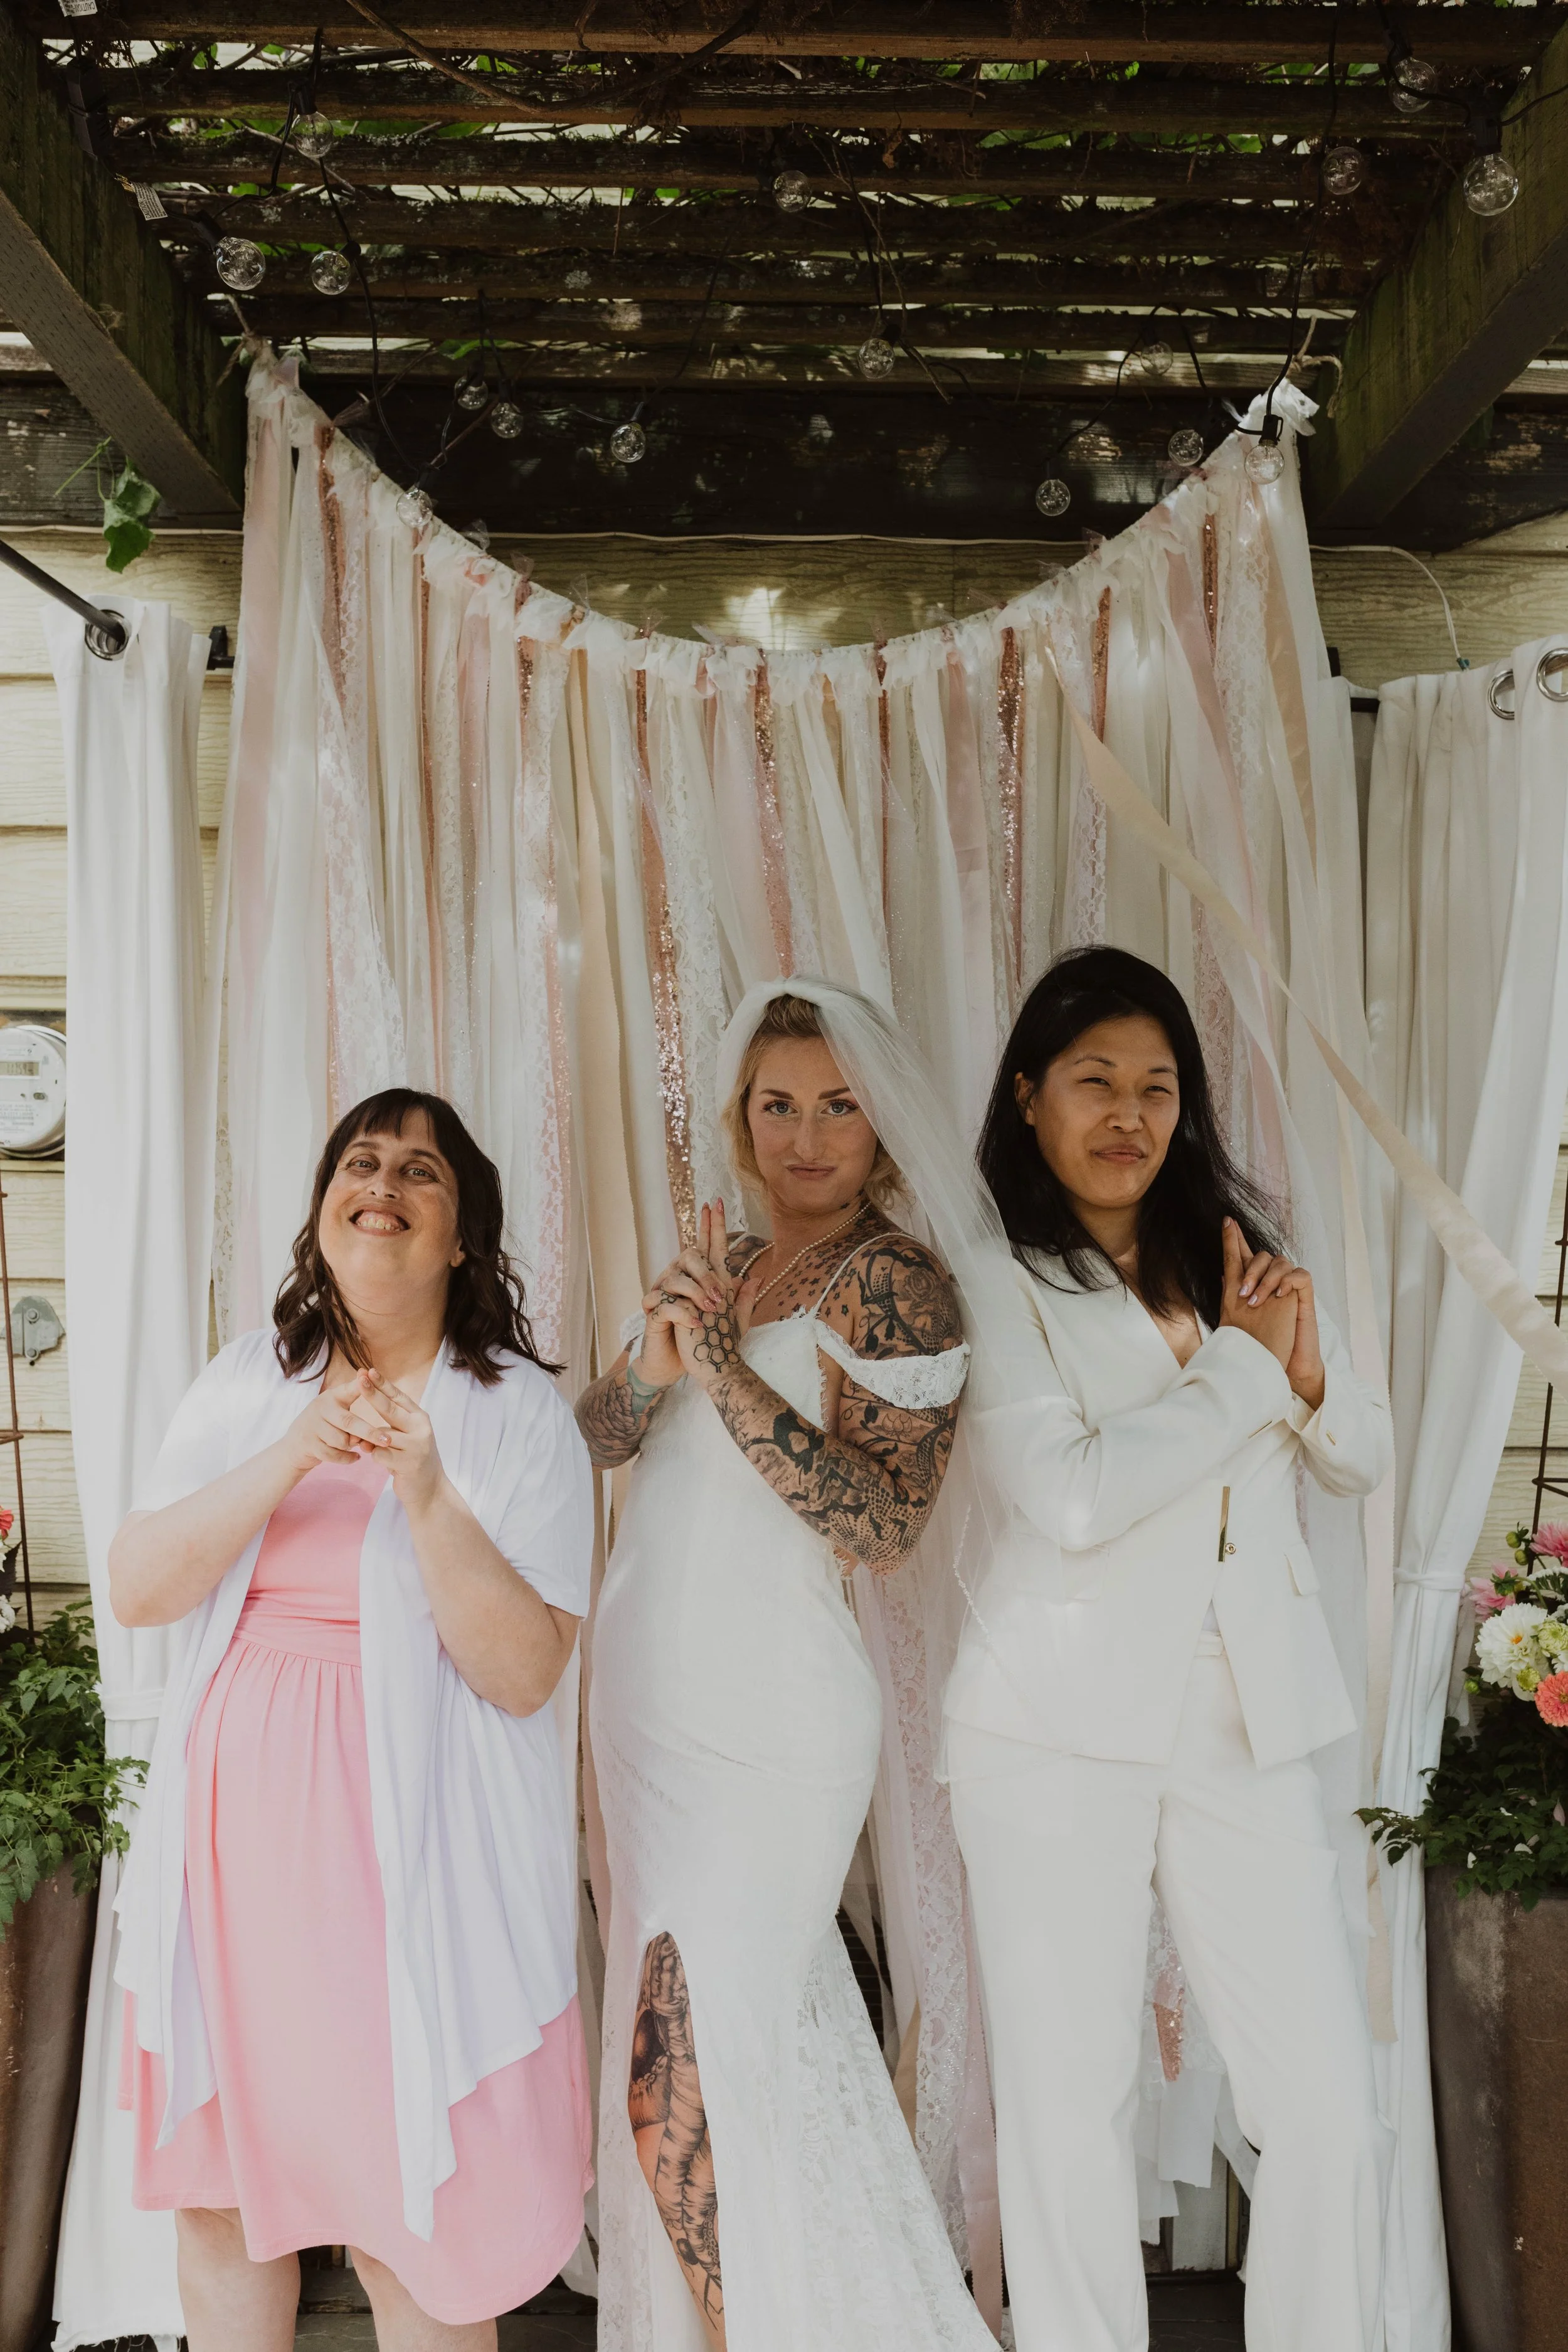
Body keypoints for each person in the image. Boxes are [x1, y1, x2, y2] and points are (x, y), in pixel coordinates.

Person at [945, 945, 1392, 2352]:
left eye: (1157, 1084)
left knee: (1326, 2100)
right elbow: (1074, 1495)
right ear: (1029, 1096)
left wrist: (1303, 1375)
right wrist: (1247, 1371)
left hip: (1245, 1708)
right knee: (1070, 2107)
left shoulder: (1236, 1255)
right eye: (1095, 1081)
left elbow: (1358, 1456)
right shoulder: (993, 1278)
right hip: (1049, 1724)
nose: (1129, 1113)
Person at [110, 1089, 595, 2352]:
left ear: (463, 1238)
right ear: (323, 1212)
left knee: (409, 2224)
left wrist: (423, 1488)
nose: (384, 1182)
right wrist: (290, 1454)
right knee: (222, 2206)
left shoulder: (518, 1415)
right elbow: (141, 1586)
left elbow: (526, 1673)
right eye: (361, 1162)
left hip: (405, 1869)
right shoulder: (245, 1383)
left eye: (421, 1171)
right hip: (234, 1867)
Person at [576, 980, 998, 2352]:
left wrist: (725, 1373)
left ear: (881, 1126)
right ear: (740, 1118)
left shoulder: (897, 1284)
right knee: (694, 2064)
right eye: (777, 1105)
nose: (805, 1137)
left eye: (837, 1106)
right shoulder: (732, 1267)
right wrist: (661, 1356)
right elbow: (592, 1441)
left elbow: (881, 1524)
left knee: (693, 2064)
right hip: (653, 1710)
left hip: (769, 1724)